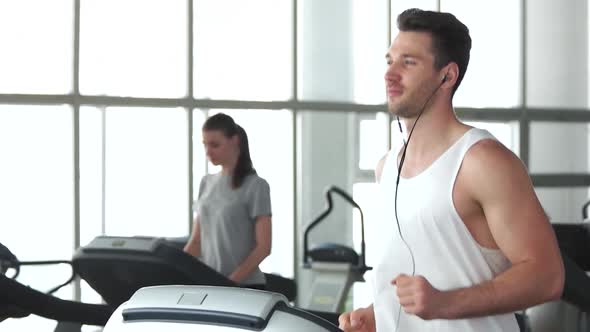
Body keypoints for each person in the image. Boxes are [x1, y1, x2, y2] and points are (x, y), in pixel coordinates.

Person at [338, 8, 564, 332]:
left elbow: (547, 276)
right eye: (390, 61)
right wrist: (377, 315)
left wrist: (444, 303)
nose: (390, 74)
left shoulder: (482, 161)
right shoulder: (385, 169)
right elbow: (423, 279)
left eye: (409, 62)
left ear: (447, 76)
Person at [183, 113, 272, 289]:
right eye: (205, 145)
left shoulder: (256, 186)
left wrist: (229, 283)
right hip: (212, 287)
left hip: (245, 287)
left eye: (215, 145)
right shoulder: (206, 182)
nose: (208, 152)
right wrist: (173, 273)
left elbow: (264, 247)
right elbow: (196, 242)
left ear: (234, 141)